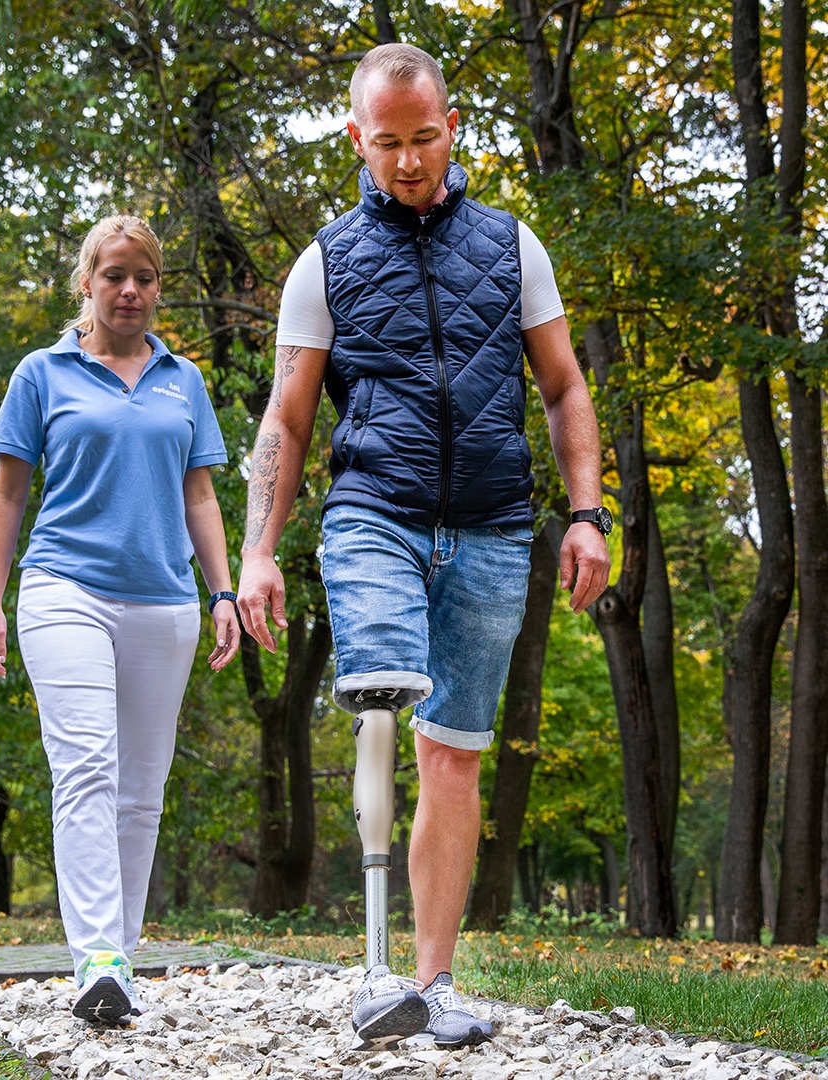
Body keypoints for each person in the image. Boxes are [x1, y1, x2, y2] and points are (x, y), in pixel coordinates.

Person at [237, 43, 610, 1050]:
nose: (407, 161)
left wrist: (587, 513)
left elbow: (565, 386)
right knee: (382, 692)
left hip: (492, 527)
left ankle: (433, 985)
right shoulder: (323, 262)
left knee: (452, 759)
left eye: (425, 138)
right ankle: (369, 971)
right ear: (356, 138)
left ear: (455, 128)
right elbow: (289, 416)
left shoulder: (512, 245)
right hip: (375, 512)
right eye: (387, 142)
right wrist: (256, 552)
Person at [0, 213, 240, 1026]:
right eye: (115, 274)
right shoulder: (42, 373)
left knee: (141, 790)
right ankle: (96, 954)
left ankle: (114, 962)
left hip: (163, 601)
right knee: (86, 764)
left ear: (159, 288)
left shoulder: (181, 379)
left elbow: (200, 495)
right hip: (64, 591)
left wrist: (223, 591)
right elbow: (7, 494)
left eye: (146, 277)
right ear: (86, 282)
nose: (130, 290)